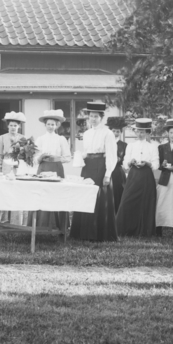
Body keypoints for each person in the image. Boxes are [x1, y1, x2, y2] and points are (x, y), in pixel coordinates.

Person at [69, 101, 118, 242]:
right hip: (87, 167)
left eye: (96, 116)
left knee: (98, 198)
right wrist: (80, 156)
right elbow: (87, 151)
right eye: (91, 116)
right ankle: (81, 233)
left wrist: (108, 174)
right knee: (85, 195)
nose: (93, 119)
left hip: (100, 167)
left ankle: (98, 234)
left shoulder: (108, 133)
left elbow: (111, 154)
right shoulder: (87, 133)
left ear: (101, 117)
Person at [116, 118, 160, 238]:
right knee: (127, 200)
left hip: (146, 175)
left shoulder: (152, 147)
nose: (140, 134)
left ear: (147, 133)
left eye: (143, 132)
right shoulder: (131, 146)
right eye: (138, 131)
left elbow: (156, 164)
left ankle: (144, 231)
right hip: (134, 175)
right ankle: (125, 229)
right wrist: (130, 162)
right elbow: (125, 163)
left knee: (145, 202)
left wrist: (148, 163)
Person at [33, 110, 73, 229]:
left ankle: (58, 225)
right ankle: (41, 224)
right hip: (43, 168)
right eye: (48, 124)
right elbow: (34, 158)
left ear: (57, 126)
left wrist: (57, 158)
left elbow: (67, 157)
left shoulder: (61, 139)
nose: (50, 126)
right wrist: (40, 157)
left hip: (56, 169)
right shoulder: (40, 139)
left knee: (57, 194)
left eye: (53, 124)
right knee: (42, 193)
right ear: (45, 125)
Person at [107, 116, 127, 214]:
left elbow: (125, 159)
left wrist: (120, 159)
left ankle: (117, 214)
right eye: (113, 131)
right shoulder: (105, 143)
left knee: (117, 191)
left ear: (120, 132)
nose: (115, 133)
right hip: (106, 169)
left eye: (117, 131)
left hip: (117, 171)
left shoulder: (124, 145)